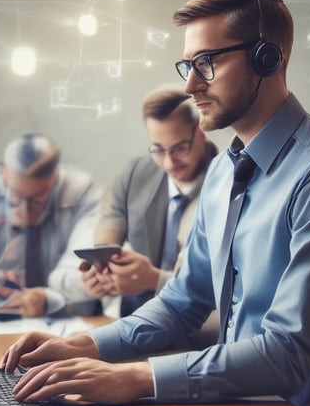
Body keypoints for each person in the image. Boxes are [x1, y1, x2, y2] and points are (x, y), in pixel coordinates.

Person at [1, 0, 310, 406]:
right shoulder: (222, 173)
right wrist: (82, 345)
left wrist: (134, 378)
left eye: (207, 62)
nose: (190, 86)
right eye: (188, 65)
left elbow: (287, 353)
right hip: (239, 405)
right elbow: (181, 303)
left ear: (268, 58)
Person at [82, 86, 218, 317]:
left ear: (200, 131)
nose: (169, 162)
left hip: (201, 328)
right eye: (158, 149)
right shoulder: (136, 173)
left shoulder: (228, 183)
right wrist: (101, 271)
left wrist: (154, 280)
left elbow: (220, 287)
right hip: (133, 322)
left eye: (180, 148)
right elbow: (110, 221)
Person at [0, 132, 102, 318]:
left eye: (37, 198)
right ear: (3, 173)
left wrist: (48, 299)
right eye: (16, 196)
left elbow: (80, 274)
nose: (25, 211)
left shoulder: (81, 192)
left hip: (53, 320)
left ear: (55, 178)